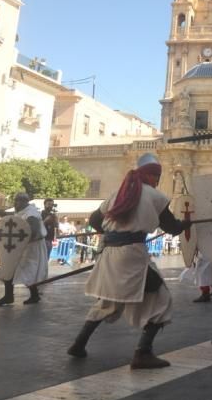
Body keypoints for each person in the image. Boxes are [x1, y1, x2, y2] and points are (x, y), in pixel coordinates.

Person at [66, 154, 189, 369]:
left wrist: (115, 234)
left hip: (110, 254)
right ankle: (143, 353)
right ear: (151, 176)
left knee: (108, 302)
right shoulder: (155, 197)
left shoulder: (116, 195)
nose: (158, 180)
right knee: (162, 300)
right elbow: (172, 228)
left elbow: (95, 220)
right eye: (157, 176)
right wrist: (187, 222)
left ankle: (79, 344)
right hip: (132, 256)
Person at [0, 193, 48, 306]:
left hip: (31, 248)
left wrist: (22, 243)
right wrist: (3, 214)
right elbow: (16, 219)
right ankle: (9, 296)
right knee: (8, 268)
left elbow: (34, 233)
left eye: (17, 201)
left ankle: (34, 295)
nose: (15, 203)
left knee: (28, 272)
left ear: (24, 202)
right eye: (15, 201)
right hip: (20, 248)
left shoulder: (31, 214)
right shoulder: (23, 211)